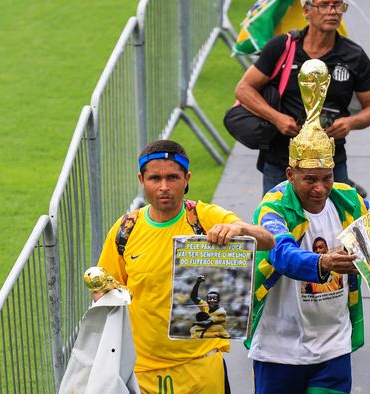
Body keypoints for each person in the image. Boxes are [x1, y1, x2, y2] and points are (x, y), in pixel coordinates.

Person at [245, 56, 370, 392]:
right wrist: (325, 262)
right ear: (289, 174)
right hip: (279, 352)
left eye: (327, 178)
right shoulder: (273, 207)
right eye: (310, 179)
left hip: (333, 349)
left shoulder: (347, 200)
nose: (320, 189)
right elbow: (282, 254)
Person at [96, 139, 275, 394]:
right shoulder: (126, 229)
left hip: (201, 369)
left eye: (173, 177)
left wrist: (239, 228)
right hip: (142, 373)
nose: (164, 187)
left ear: (187, 178)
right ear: (141, 179)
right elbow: (105, 288)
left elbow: (268, 240)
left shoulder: (204, 218)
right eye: (155, 178)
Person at [234, 0, 370, 194]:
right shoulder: (281, 47)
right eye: (324, 5)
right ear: (306, 10)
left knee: (337, 223)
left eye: (337, 5)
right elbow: (244, 89)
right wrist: (276, 118)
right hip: (282, 161)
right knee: (277, 223)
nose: (332, 11)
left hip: (330, 164)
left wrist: (350, 123)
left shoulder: (354, 56)